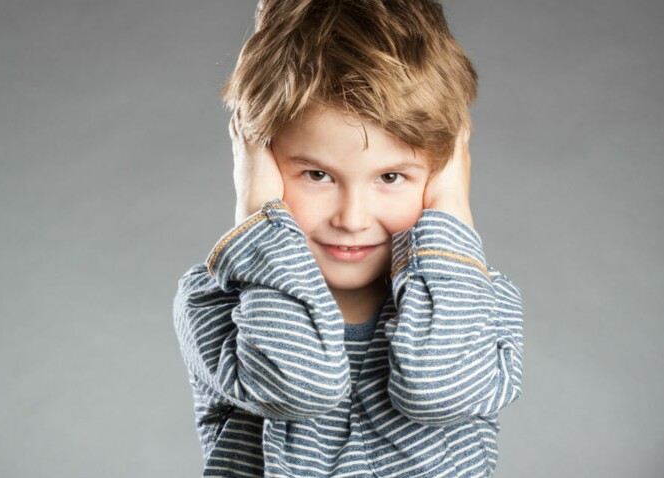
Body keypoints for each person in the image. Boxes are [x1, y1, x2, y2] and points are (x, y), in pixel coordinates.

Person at [173, 1, 524, 476]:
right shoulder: (216, 304)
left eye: (392, 176)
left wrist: (452, 214)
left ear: (444, 170)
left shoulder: (471, 299)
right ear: (258, 161)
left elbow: (437, 389)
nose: (353, 218)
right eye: (317, 174)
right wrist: (259, 212)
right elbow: (299, 388)